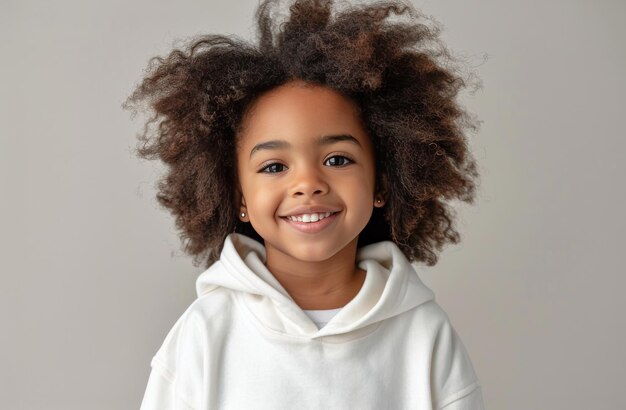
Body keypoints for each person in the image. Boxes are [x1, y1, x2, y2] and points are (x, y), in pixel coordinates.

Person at [126, 0, 485, 408]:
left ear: (382, 182)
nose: (308, 184)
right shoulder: (206, 332)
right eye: (275, 166)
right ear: (238, 196)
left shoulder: (425, 334)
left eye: (337, 160)